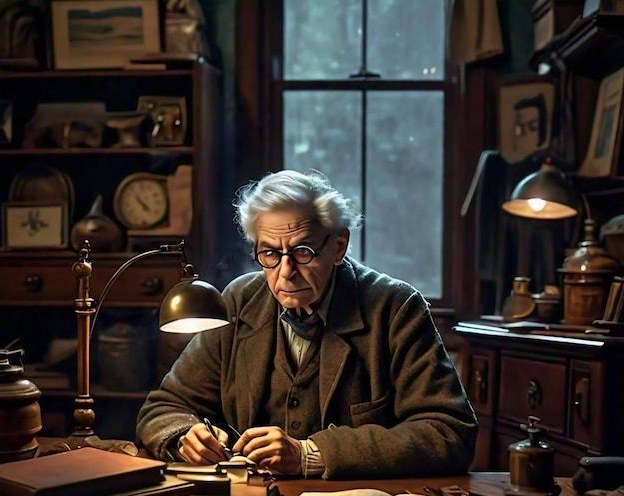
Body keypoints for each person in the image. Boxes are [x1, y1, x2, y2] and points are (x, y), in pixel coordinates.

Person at [136, 169, 477, 479]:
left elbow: (448, 432)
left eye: (302, 252)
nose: (285, 272)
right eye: (269, 253)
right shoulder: (240, 301)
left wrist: (309, 454)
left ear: (338, 246)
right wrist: (185, 437)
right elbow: (163, 408)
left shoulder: (395, 307)